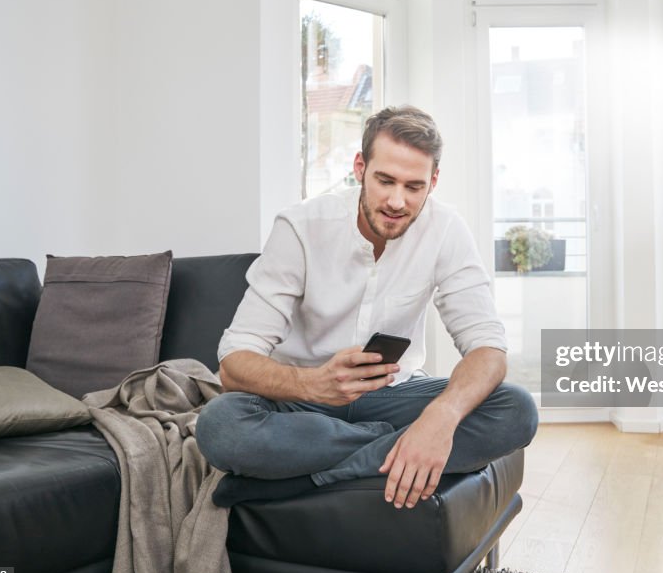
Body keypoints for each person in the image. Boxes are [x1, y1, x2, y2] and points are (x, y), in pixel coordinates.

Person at [196, 105, 538, 510]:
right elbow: (234, 362)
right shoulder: (301, 227)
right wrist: (313, 384)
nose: (397, 201)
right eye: (385, 180)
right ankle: (392, 443)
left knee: (516, 409)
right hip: (302, 402)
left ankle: (300, 479)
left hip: (392, 396)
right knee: (221, 426)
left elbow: (488, 348)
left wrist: (440, 418)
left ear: (434, 181)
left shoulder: (446, 229)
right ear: (360, 167)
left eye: (414, 187)